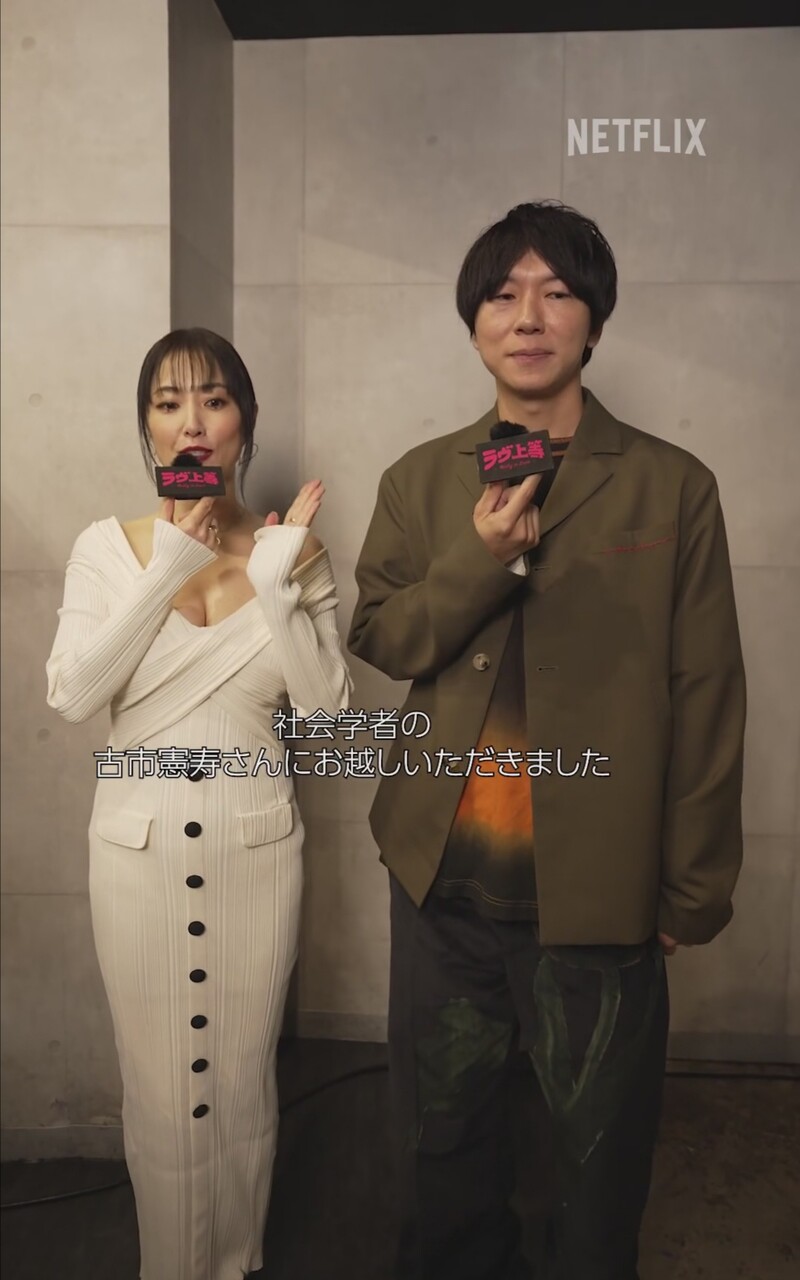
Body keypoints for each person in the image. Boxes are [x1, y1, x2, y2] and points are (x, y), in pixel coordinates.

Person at [348, 201, 746, 1280]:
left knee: (596, 1171)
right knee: (442, 1154)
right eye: (501, 294)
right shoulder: (421, 478)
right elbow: (382, 636)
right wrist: (478, 560)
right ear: (473, 322)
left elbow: (706, 691)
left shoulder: (671, 484)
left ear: (594, 321)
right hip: (440, 881)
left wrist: (690, 888)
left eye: (556, 291)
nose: (527, 316)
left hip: (602, 891)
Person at [46, 328, 352, 1280]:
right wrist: (168, 571)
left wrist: (275, 584)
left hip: (256, 850)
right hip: (134, 855)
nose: (192, 422)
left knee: (244, 1078)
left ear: (244, 423)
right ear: (146, 426)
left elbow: (330, 718)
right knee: (157, 1087)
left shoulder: (294, 552)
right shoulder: (105, 549)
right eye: (169, 402)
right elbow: (74, 694)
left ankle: (236, 1261)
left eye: (214, 400)